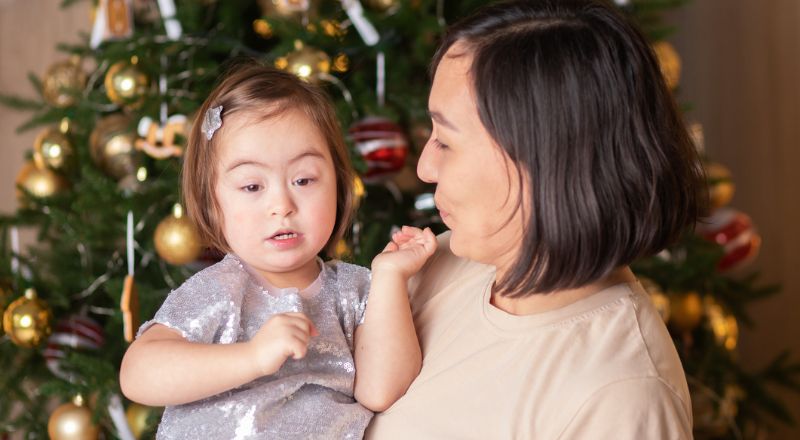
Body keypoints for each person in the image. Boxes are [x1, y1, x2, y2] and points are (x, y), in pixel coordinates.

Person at [366, 0, 704, 438]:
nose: (424, 168)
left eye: (446, 142)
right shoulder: (438, 262)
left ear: (544, 163)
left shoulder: (620, 399)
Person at [119, 62, 435, 439]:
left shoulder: (354, 291)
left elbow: (381, 390)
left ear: (338, 184)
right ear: (211, 204)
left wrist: (389, 276)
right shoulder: (222, 290)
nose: (282, 204)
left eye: (303, 179)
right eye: (252, 187)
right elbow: (138, 375)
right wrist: (252, 357)